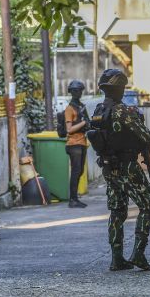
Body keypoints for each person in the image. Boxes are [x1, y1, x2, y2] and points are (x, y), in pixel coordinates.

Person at [86, 69, 150, 271]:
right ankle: (138, 253)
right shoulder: (123, 111)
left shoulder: (99, 111)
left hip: (110, 168)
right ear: (120, 88)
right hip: (127, 166)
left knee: (117, 211)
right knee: (149, 207)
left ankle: (116, 258)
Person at [64, 80, 90, 208]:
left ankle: (75, 198)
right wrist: (83, 123)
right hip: (73, 144)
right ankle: (72, 200)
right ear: (72, 92)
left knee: (79, 171)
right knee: (76, 171)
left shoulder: (81, 107)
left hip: (82, 143)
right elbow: (69, 129)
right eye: (75, 90)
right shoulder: (69, 109)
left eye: (79, 90)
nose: (78, 92)